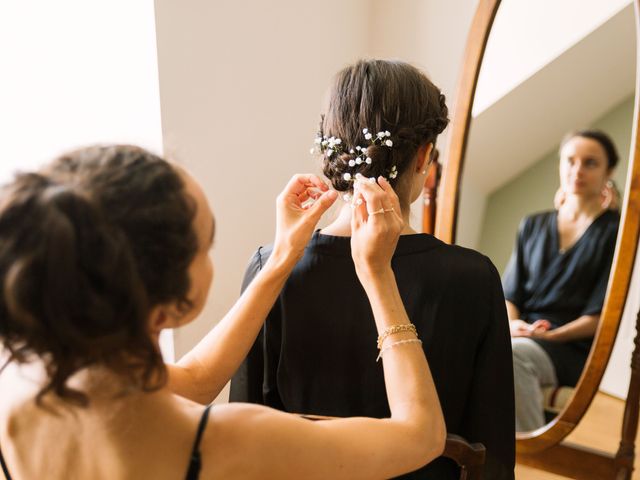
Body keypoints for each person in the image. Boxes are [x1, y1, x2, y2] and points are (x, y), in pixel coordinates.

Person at [0, 145, 446, 479]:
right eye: (207, 243)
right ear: (172, 304)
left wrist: (281, 258)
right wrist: (377, 275)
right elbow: (421, 435)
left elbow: (194, 380)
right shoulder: (228, 440)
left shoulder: (22, 386)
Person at [230, 59, 516, 479]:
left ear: (331, 151)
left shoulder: (271, 268)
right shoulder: (473, 278)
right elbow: (490, 454)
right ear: (424, 157)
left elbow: (241, 433)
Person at [503, 129, 621, 432]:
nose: (577, 170)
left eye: (590, 163)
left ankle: (528, 462)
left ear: (608, 171)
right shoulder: (532, 224)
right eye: (570, 161)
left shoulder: (616, 234)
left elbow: (602, 316)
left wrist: (553, 336)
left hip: (573, 348)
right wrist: (515, 326)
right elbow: (510, 296)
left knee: (514, 357)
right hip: (524, 334)